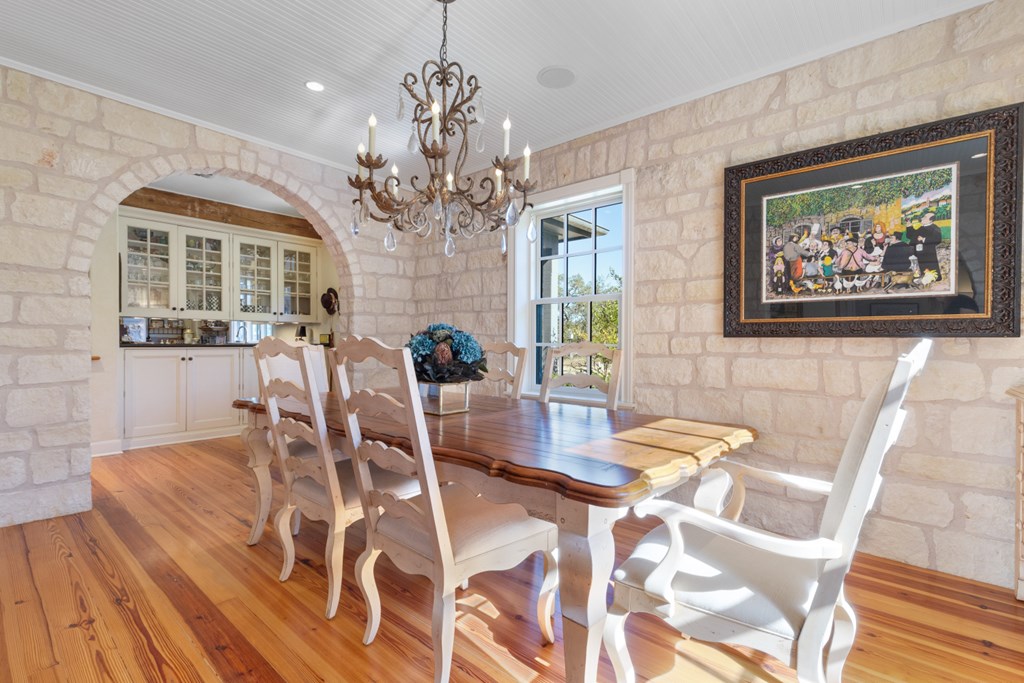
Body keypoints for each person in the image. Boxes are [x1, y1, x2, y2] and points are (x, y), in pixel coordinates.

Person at [909, 212, 943, 281]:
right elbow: (910, 236)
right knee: (922, 267)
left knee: (931, 267)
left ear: (930, 220)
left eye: (925, 217)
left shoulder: (935, 228)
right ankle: (924, 278)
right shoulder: (921, 228)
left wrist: (923, 239)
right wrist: (909, 227)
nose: (922, 218)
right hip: (919, 252)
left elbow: (938, 239)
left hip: (929, 253)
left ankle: (935, 278)